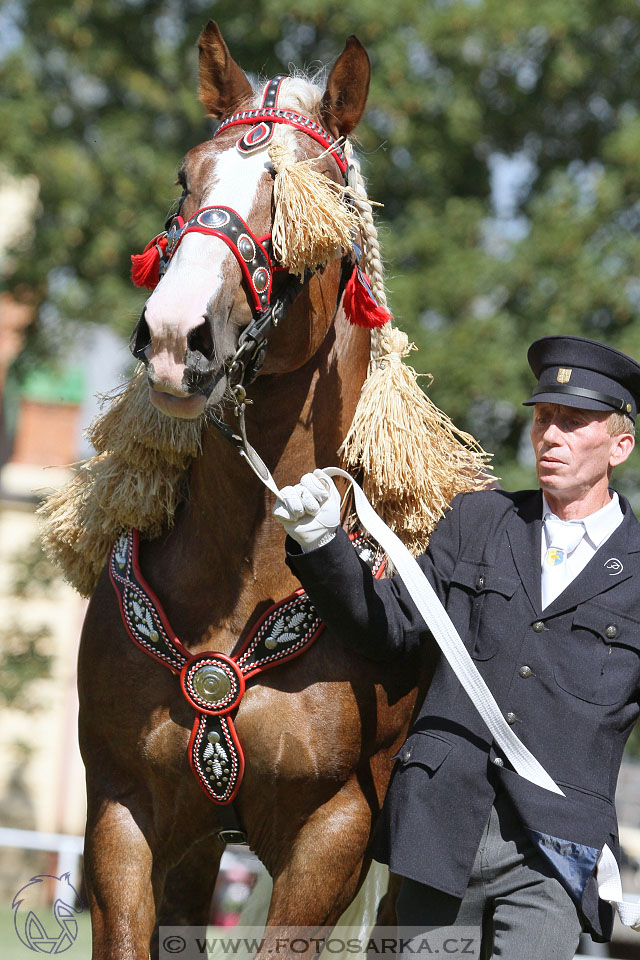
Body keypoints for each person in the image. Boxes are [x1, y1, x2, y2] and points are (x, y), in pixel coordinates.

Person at [273, 335, 640, 959]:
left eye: (574, 424)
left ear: (620, 445)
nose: (551, 436)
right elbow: (386, 631)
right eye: (544, 419)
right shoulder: (474, 521)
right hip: (440, 826)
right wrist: (322, 545)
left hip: (556, 851)